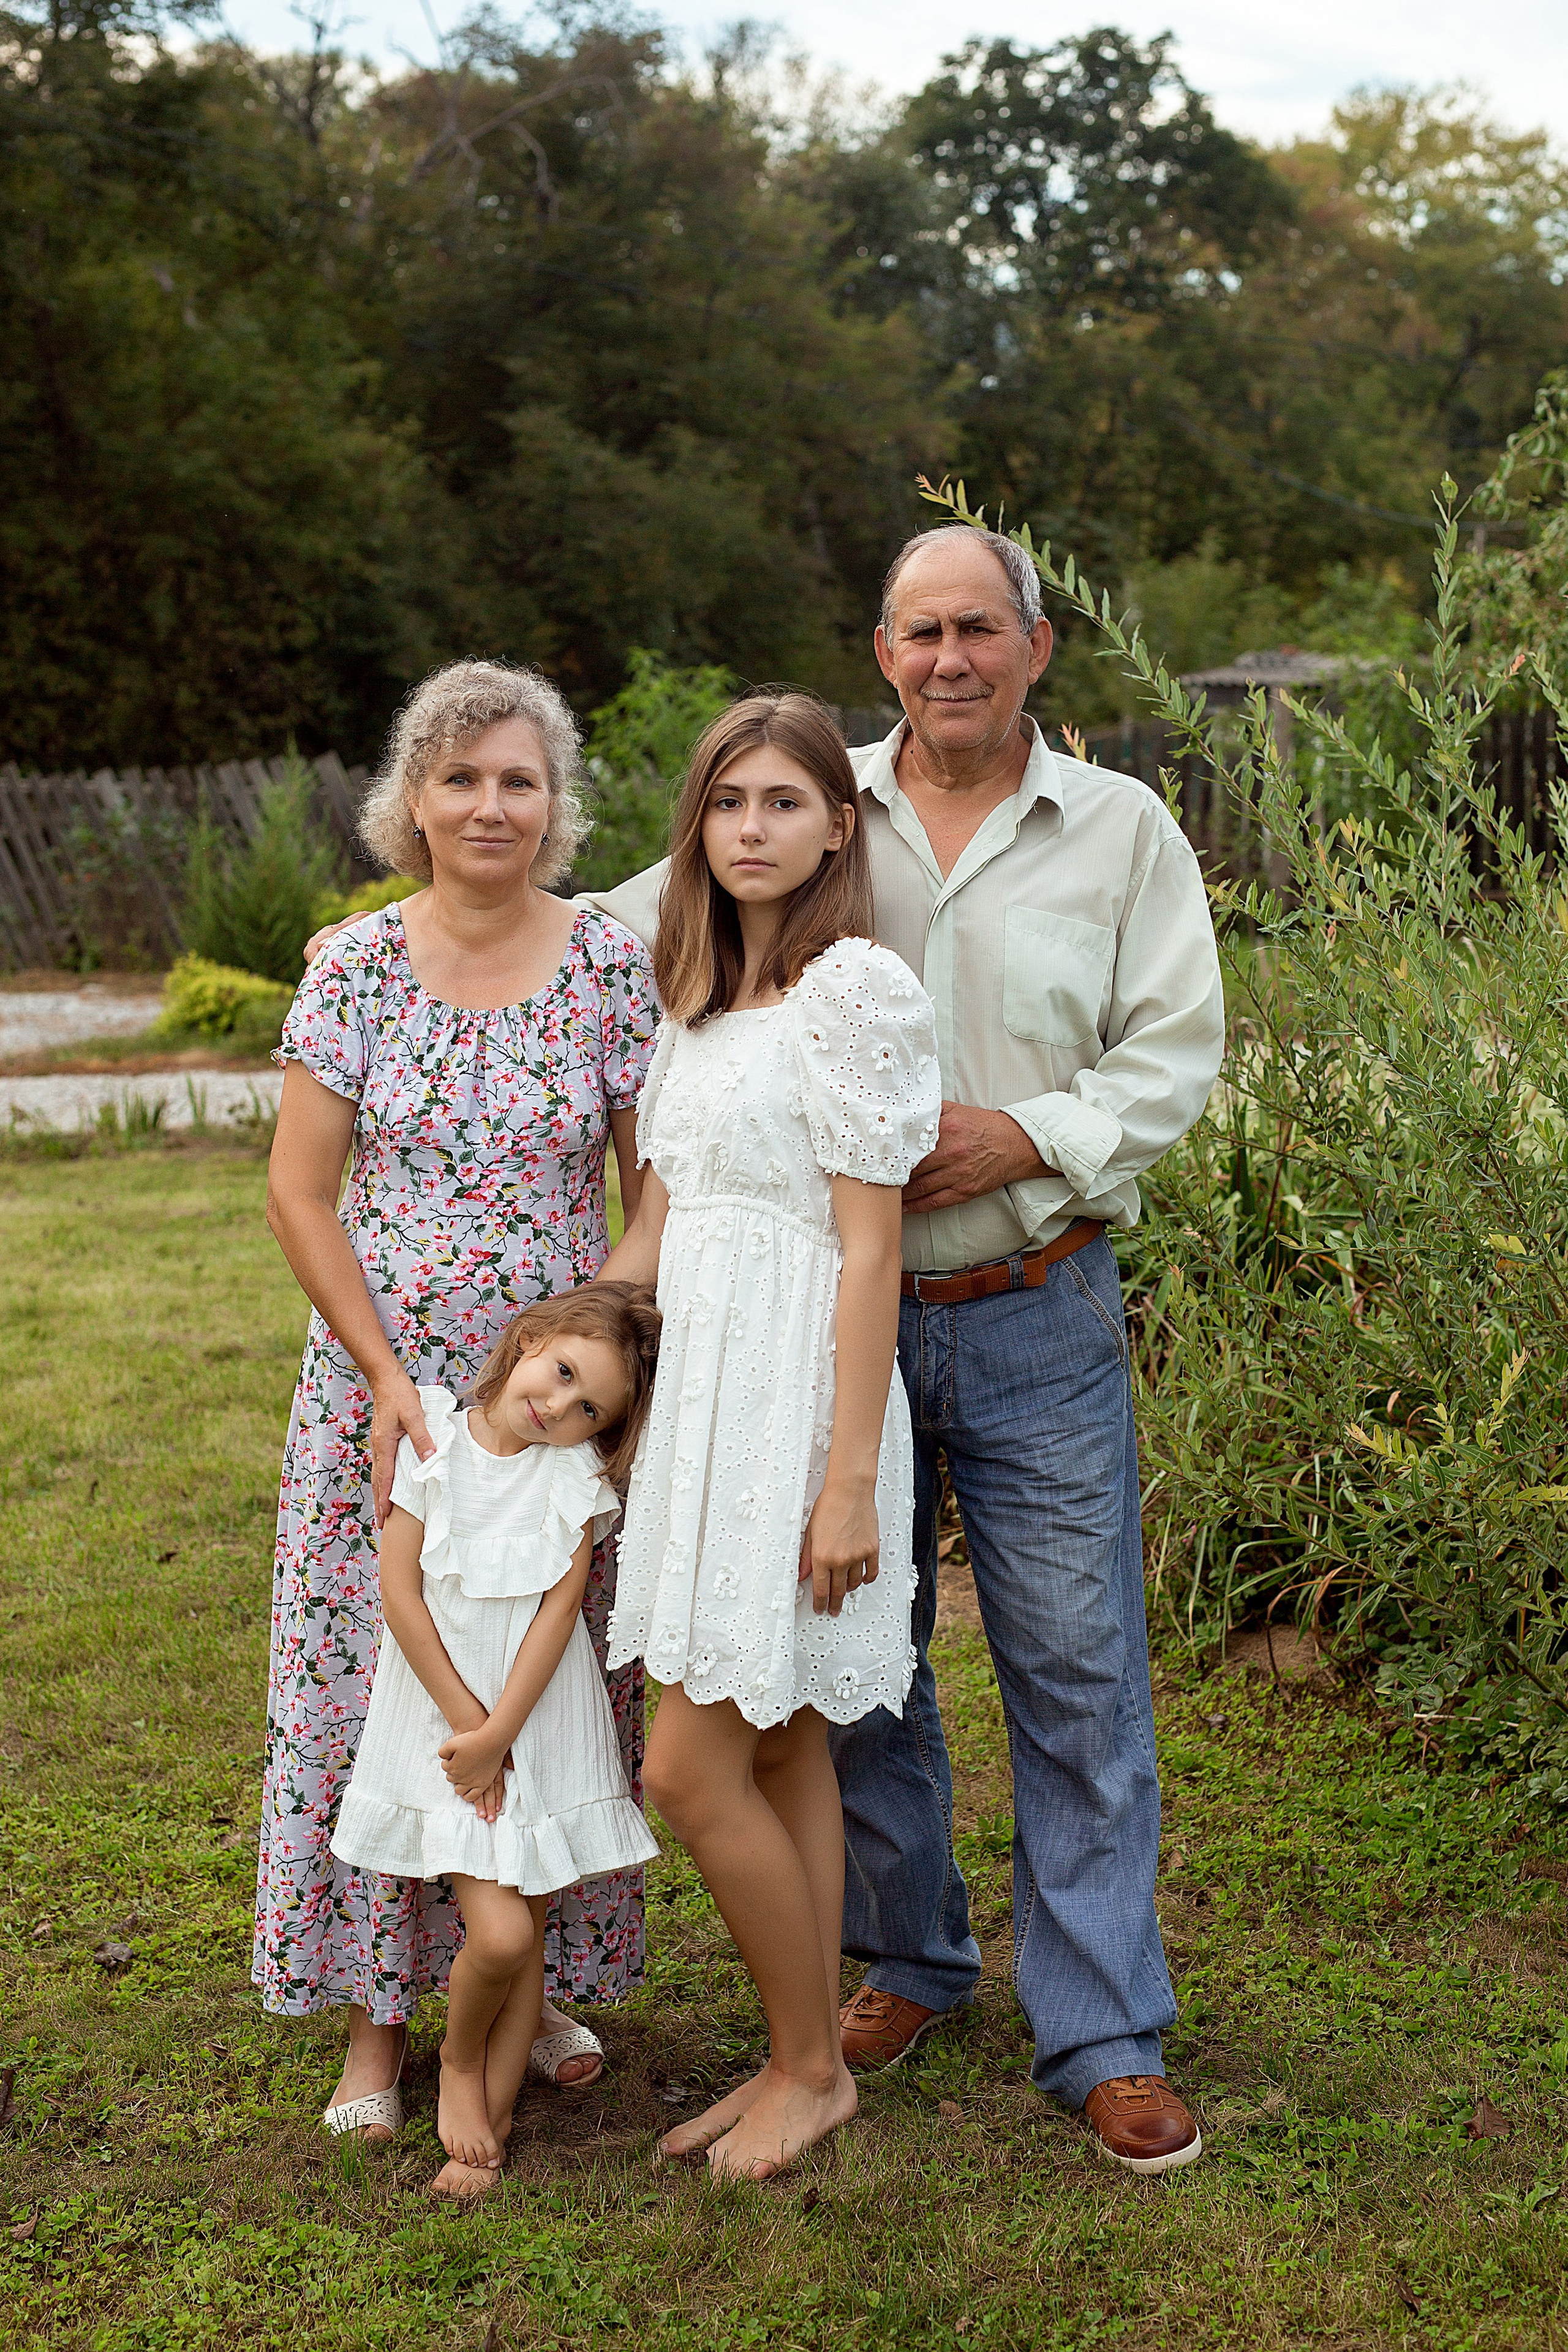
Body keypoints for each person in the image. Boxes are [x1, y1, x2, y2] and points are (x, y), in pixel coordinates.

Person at [591, 525, 1226, 2173]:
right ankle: (904, 1960)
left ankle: (1101, 2030)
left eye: (979, 630)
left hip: (1026, 1303)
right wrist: (394, 931)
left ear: (1037, 645)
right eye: (920, 631)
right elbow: (624, 911)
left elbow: (1176, 1055)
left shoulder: (1121, 832)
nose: (950, 657)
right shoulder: (809, 800)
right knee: (845, 1688)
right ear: (884, 651)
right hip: (815, 1341)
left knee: (1074, 1671)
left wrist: (1025, 1134)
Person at [260, 658, 659, 2142]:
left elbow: (649, 1180)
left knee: (552, 1686)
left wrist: (600, 1344)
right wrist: (379, 1376)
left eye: (519, 779)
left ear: (555, 806)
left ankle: (533, 1978)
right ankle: (375, 2019)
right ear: (410, 801)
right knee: (371, 1689)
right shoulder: (353, 966)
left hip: (555, 1403)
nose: (490, 805)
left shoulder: (610, 964)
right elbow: (301, 1194)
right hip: (396, 1400)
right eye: (461, 777)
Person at [598, 692, 941, 2179]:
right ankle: (797, 2048)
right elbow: (651, 1236)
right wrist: (537, 1387)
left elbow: (873, 1253)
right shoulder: (696, 1006)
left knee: (684, 1770)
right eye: (728, 802)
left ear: (836, 825)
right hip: (704, 1402)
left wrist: (848, 1479)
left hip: (803, 1403)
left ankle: (814, 2071)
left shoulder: (852, 989)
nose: (752, 828)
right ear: (700, 824)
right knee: (788, 1744)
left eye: (783, 802)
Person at [331, 1283, 663, 2199]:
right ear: (528, 1341)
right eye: (560, 1374)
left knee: (530, 1933)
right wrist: (470, 1733)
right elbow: (400, 1595)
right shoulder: (434, 1441)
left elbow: (561, 1619)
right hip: (444, 1727)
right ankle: (458, 2060)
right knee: (505, 1936)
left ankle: (493, 2120)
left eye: (588, 1406)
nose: (559, 1406)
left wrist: (504, 1731)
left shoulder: (573, 1480)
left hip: (538, 1732)